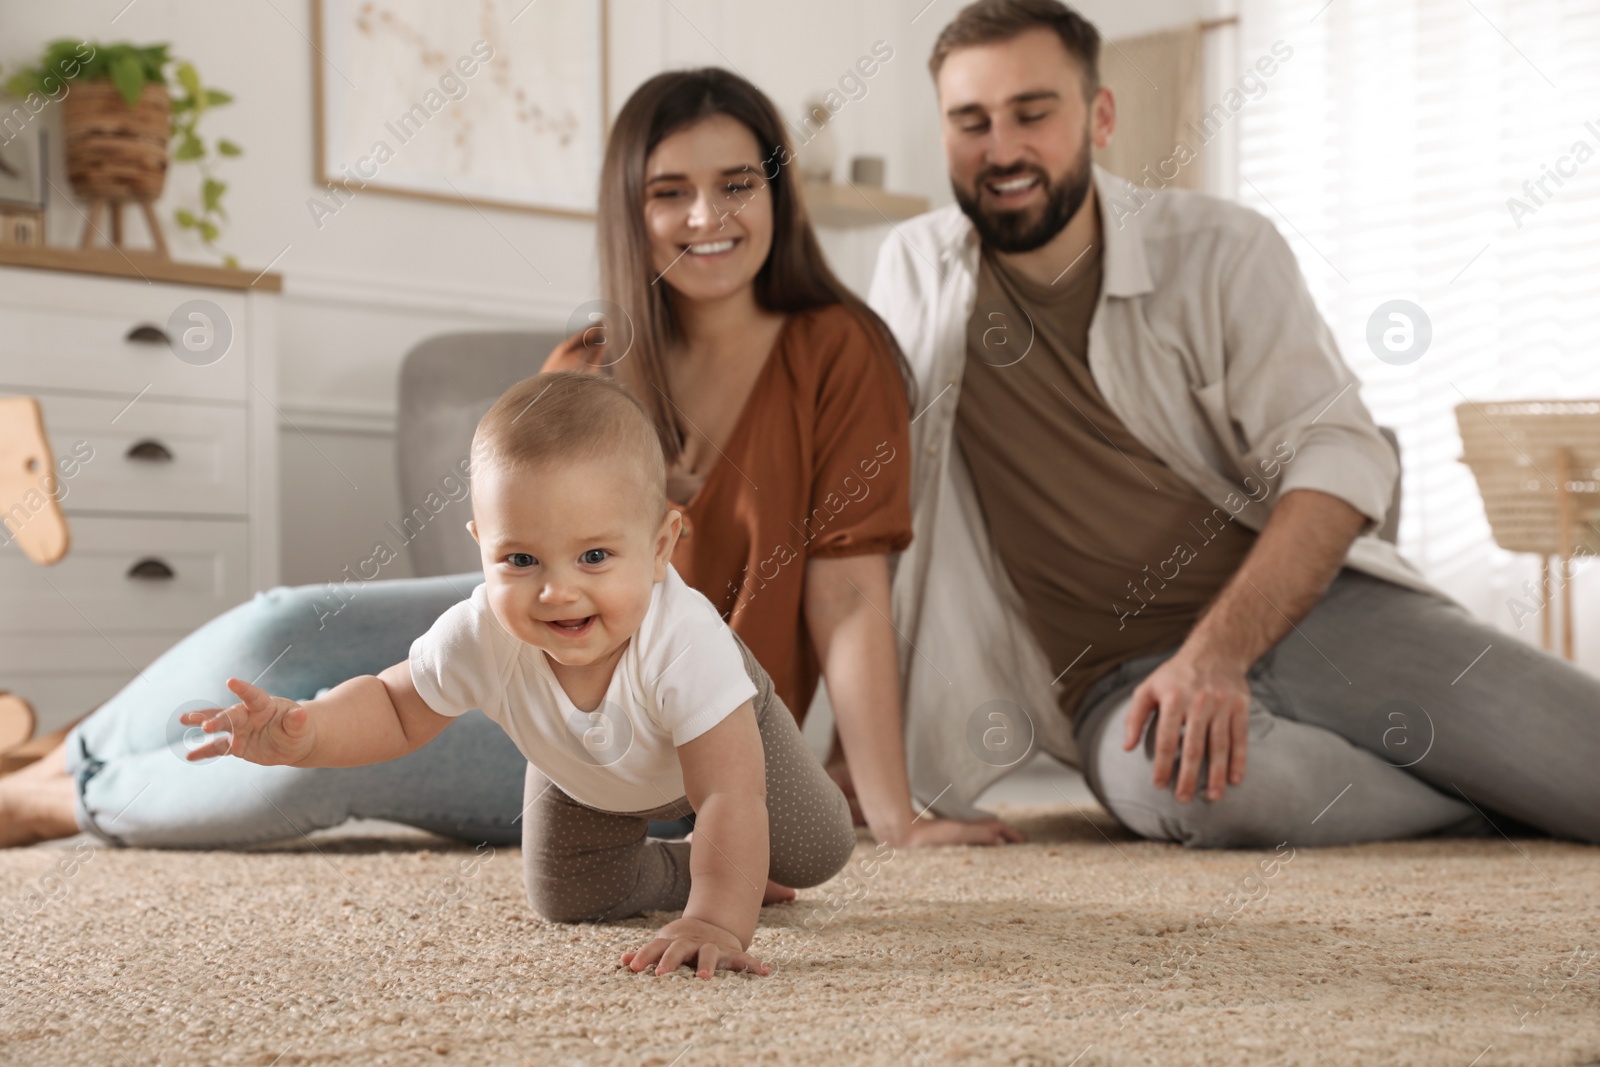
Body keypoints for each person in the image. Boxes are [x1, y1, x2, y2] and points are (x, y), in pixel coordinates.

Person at [0, 68, 1017, 851]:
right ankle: (70, 753)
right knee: (288, 624)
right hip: (532, 634)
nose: (707, 218)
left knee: (319, 768)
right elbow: (514, 561)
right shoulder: (589, 362)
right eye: (671, 191)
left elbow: (847, 602)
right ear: (633, 207)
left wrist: (893, 813)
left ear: (776, 196)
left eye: (736, 185)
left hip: (648, 731)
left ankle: (62, 798)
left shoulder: (838, 350)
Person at [866, 0, 1600, 846]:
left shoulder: (1222, 248)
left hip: (1321, 617)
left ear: (1100, 116)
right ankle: (1484, 808)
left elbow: (1339, 452)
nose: (1002, 150)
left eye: (1033, 113)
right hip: (1116, 682)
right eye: (972, 122)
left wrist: (1217, 654)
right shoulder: (912, 270)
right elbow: (878, 524)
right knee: (1209, 798)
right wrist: (870, 757)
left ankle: (1501, 785)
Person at [182, 372, 855, 977]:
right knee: (569, 895)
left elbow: (727, 795)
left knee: (812, 850)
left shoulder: (686, 641)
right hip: (584, 771)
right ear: (482, 546)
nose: (556, 591)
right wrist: (310, 730)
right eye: (521, 559)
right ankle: (689, 869)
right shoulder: (481, 632)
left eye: (593, 555)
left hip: (729, 745)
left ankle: (731, 873)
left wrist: (717, 919)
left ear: (658, 548)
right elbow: (393, 705)